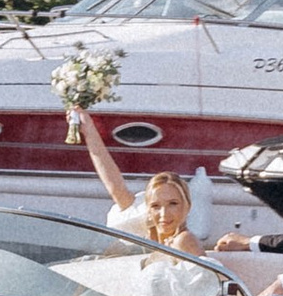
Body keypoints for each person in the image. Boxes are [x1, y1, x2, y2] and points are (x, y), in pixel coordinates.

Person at [71, 107, 210, 250]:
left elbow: (205, 272)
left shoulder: (184, 241)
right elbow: (115, 187)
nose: (164, 214)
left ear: (187, 206)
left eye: (173, 204)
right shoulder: (149, 238)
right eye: (155, 206)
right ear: (148, 210)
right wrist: (89, 130)